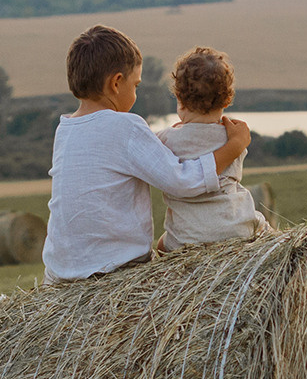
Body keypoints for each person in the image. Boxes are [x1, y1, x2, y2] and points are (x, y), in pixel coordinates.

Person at [42, 25, 250, 284]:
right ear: (116, 83)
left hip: (58, 272)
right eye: (136, 85)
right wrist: (234, 147)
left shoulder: (65, 129)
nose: (136, 93)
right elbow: (182, 181)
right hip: (113, 270)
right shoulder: (125, 126)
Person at [156, 46, 269, 251]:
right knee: (267, 232)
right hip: (237, 230)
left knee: (162, 246)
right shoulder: (234, 136)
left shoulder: (165, 140)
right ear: (227, 100)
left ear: (179, 100)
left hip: (186, 239)